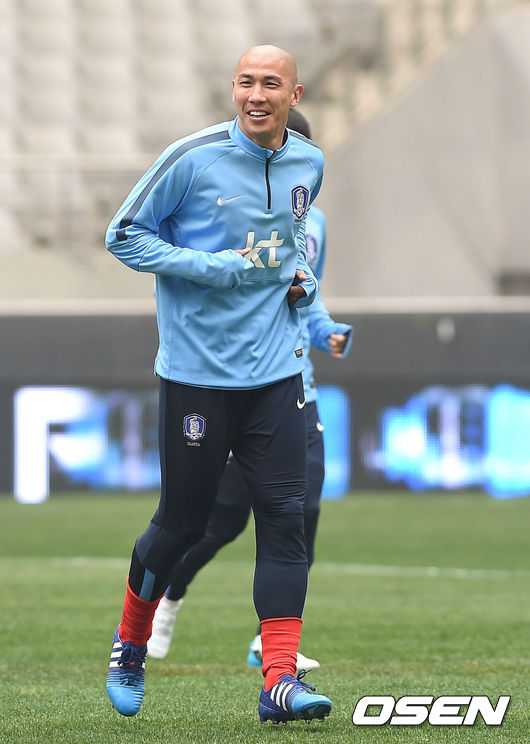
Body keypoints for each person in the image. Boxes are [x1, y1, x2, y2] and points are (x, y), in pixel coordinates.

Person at [105, 45, 333, 724]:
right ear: (234, 88)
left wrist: (300, 282)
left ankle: (279, 681)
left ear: (295, 95)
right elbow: (123, 235)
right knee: (182, 524)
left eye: (271, 84)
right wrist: (211, 266)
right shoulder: (191, 158)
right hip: (199, 377)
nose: (257, 94)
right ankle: (131, 644)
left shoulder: (309, 163)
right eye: (246, 82)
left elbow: (285, 249)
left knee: (287, 518)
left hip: (277, 373)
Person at [147, 109, 352, 674]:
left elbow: (305, 292)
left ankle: (272, 643)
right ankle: (168, 597)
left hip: (295, 382)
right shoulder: (233, 210)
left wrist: (326, 330)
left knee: (301, 510)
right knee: (221, 520)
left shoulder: (313, 221)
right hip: (239, 383)